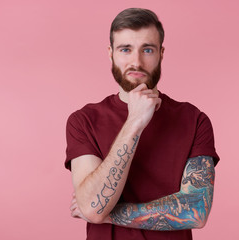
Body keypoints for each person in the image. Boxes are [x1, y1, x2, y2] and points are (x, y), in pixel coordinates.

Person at [65, 8, 220, 240]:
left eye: (147, 50)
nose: (136, 62)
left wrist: (111, 215)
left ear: (161, 53)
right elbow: (92, 207)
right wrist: (134, 122)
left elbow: (195, 211)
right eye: (125, 49)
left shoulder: (194, 120)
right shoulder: (83, 121)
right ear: (111, 53)